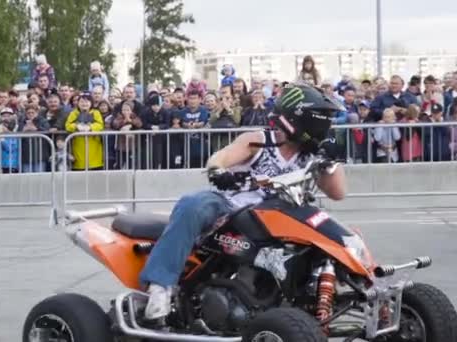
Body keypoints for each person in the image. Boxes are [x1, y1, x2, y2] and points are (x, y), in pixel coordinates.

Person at [139, 83, 348, 320]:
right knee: (193, 204)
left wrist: (333, 159)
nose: (325, 128)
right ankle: (160, 286)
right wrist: (218, 170)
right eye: (321, 122)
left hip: (283, 217)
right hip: (234, 208)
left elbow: (338, 192)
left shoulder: (313, 155)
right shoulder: (259, 140)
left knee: (328, 234)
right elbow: (221, 157)